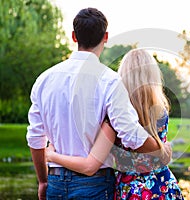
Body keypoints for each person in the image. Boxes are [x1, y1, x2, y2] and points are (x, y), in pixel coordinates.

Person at [26, 8, 171, 200]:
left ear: (73, 36)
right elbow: (130, 135)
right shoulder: (110, 81)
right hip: (95, 184)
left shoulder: (44, 80)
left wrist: (43, 181)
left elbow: (36, 137)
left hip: (56, 183)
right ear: (106, 37)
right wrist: (161, 149)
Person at [46, 49, 184, 199]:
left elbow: (90, 165)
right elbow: (161, 153)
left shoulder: (116, 118)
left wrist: (52, 156)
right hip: (163, 187)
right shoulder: (161, 112)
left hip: (132, 191)